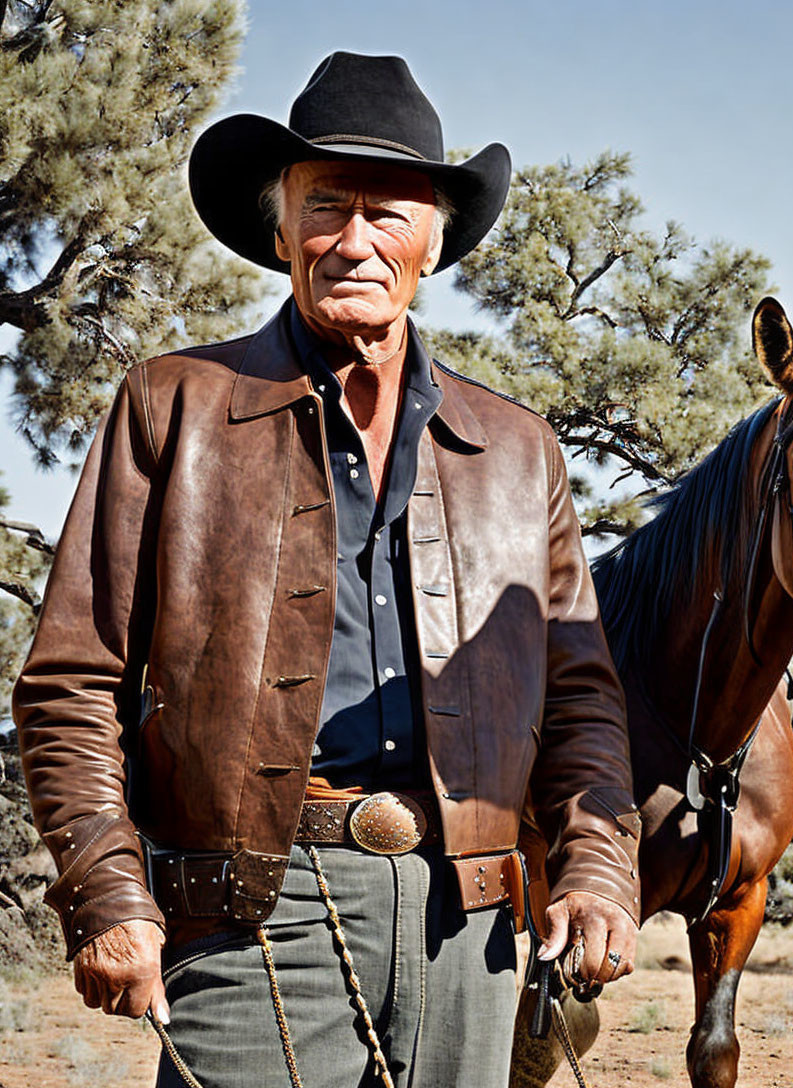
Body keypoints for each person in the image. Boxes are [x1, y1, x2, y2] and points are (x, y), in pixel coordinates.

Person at [14, 51, 640, 1088]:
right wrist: (108, 892)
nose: (355, 240)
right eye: (326, 206)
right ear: (278, 229)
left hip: (469, 916)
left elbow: (579, 695)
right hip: (249, 910)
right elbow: (71, 681)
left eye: (390, 213)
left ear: (434, 243)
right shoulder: (170, 405)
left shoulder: (517, 448)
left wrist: (599, 869)